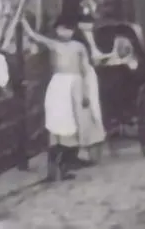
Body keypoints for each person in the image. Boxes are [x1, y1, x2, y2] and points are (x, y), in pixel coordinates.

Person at [19, 13, 92, 182]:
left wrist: (85, 91)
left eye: (69, 29)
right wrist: (23, 21)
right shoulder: (54, 45)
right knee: (56, 122)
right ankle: (54, 168)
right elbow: (34, 36)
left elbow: (85, 69)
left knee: (75, 121)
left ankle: (68, 162)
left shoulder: (79, 47)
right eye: (62, 29)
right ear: (57, 30)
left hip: (75, 84)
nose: (65, 32)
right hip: (58, 85)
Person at [71, 6, 106, 167]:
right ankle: (83, 148)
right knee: (83, 111)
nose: (89, 25)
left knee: (92, 110)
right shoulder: (78, 39)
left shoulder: (91, 35)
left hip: (89, 75)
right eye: (85, 22)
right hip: (80, 76)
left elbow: (95, 54)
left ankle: (93, 144)